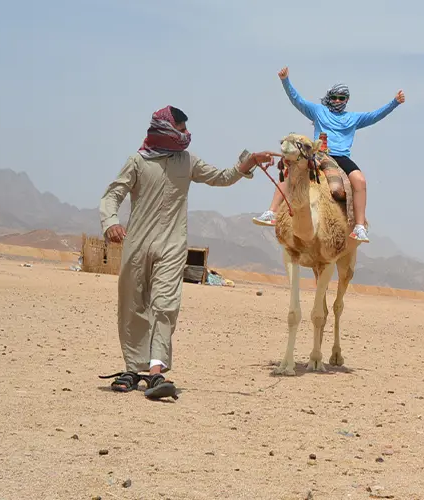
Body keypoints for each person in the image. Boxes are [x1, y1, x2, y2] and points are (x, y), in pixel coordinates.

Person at [98, 105, 279, 400]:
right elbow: (113, 194)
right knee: (133, 304)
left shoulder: (187, 161)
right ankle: (133, 369)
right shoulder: (137, 162)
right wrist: (111, 223)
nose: (186, 135)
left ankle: (156, 375)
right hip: (137, 244)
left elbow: (221, 176)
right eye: (182, 130)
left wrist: (250, 163)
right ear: (166, 130)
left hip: (172, 246)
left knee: (165, 306)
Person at [251, 67, 406, 243]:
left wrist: (394, 102)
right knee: (291, 167)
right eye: (334, 97)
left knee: (360, 181)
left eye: (342, 98)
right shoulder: (319, 111)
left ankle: (360, 226)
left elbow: (375, 116)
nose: (338, 101)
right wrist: (285, 80)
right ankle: (272, 212)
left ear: (347, 100)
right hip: (318, 154)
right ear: (329, 98)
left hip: (341, 157)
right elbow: (298, 101)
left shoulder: (353, 118)